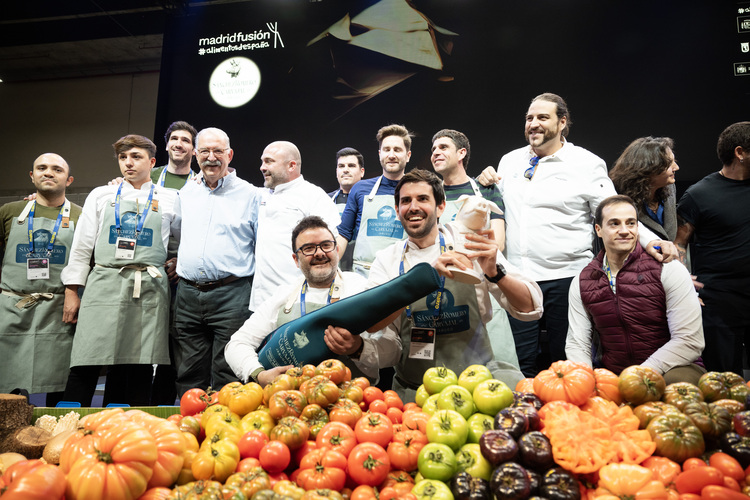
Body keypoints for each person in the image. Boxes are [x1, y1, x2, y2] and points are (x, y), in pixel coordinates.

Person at [479, 92, 676, 377]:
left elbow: (614, 211)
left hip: (567, 278)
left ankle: (567, 419)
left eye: (542, 118)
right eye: (529, 118)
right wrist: (484, 180)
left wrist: (652, 241)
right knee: (516, 366)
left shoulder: (586, 163)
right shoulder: (509, 161)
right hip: (516, 277)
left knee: (568, 364)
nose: (533, 124)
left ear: (562, 122)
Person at [365, 169, 543, 400]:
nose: (413, 207)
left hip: (477, 386)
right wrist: (422, 280)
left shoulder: (468, 243)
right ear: (397, 211)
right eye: (405, 201)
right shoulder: (387, 259)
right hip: (416, 391)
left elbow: (530, 308)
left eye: (423, 199)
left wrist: (494, 273)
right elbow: (371, 322)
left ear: (441, 207)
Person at [61, 135, 180, 406]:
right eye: (123, 157)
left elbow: (186, 240)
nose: (128, 163)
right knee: (86, 359)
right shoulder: (101, 195)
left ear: (152, 162)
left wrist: (177, 260)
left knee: (137, 361)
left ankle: (126, 431)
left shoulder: (171, 198)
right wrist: (72, 291)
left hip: (148, 287)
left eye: (136, 157)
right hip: (104, 282)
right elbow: (81, 248)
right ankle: (68, 426)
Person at [566, 195, 705, 384]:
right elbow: (577, 343)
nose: (624, 231)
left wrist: (637, 376)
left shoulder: (668, 269)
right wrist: (584, 383)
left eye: (630, 223)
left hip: (674, 369)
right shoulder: (583, 281)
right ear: (598, 230)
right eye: (614, 224)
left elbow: (689, 341)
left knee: (674, 383)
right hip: (616, 375)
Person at [226, 216, 377, 386]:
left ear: (336, 250)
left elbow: (392, 349)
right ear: (296, 260)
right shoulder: (284, 295)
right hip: (292, 402)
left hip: (351, 402)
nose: (319, 253)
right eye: (308, 248)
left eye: (326, 245)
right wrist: (259, 375)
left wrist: (358, 348)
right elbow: (237, 344)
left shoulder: (362, 289)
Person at [174, 127, 261, 396]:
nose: (211, 157)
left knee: (228, 372)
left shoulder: (251, 195)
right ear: (195, 154)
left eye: (218, 151)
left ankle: (224, 431)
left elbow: (261, 244)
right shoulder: (187, 192)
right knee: (187, 371)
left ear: (230, 155)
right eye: (205, 151)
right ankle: (189, 429)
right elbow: (178, 235)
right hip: (187, 294)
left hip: (232, 295)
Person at [430, 128, 520, 370]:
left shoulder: (486, 190)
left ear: (462, 153)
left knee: (498, 373)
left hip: (484, 287)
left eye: (443, 147)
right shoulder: (429, 194)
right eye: (433, 149)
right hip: (444, 289)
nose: (435, 152)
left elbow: (498, 242)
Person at [0, 154, 81, 406]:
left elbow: (85, 262)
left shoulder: (82, 216)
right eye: (42, 168)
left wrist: (73, 293)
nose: (48, 173)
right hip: (13, 307)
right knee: (8, 380)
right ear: (32, 176)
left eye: (56, 169)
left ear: (68, 180)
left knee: (59, 379)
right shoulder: (9, 211)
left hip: (59, 309)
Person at [675, 121, 750, 375]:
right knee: (724, 380)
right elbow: (678, 244)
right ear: (740, 153)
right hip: (720, 300)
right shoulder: (699, 194)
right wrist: (684, 282)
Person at [248, 141, 341, 313]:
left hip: (298, 299)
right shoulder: (262, 195)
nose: (262, 167)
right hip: (261, 301)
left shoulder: (314, 196)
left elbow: (331, 247)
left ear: (291, 165)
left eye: (269, 161)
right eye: (262, 161)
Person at [150, 120, 197, 404]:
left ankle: (174, 403)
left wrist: (182, 260)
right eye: (175, 139)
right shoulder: (149, 175)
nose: (179, 144)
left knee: (177, 339)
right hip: (150, 265)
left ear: (193, 149)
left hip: (183, 271)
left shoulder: (201, 180)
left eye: (186, 140)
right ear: (167, 144)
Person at [337, 124, 413, 278]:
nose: (391, 155)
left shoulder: (417, 190)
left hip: (402, 274)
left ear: (408, 155)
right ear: (380, 154)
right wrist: (330, 270)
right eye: (387, 150)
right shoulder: (360, 189)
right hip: (362, 275)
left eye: (397, 150)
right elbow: (343, 233)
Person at [609, 137, 680, 241]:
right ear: (649, 168)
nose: (676, 167)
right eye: (669, 164)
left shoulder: (669, 187)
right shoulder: (618, 197)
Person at [329, 147, 365, 271]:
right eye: (341, 166)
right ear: (336, 171)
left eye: (351, 165)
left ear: (362, 172)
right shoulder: (325, 200)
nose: (345, 170)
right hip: (334, 265)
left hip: (362, 265)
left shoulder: (371, 199)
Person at [151, 121, 199, 189]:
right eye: (174, 139)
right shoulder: (148, 176)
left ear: (194, 150)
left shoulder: (198, 183)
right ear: (167, 146)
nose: (178, 145)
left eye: (185, 140)